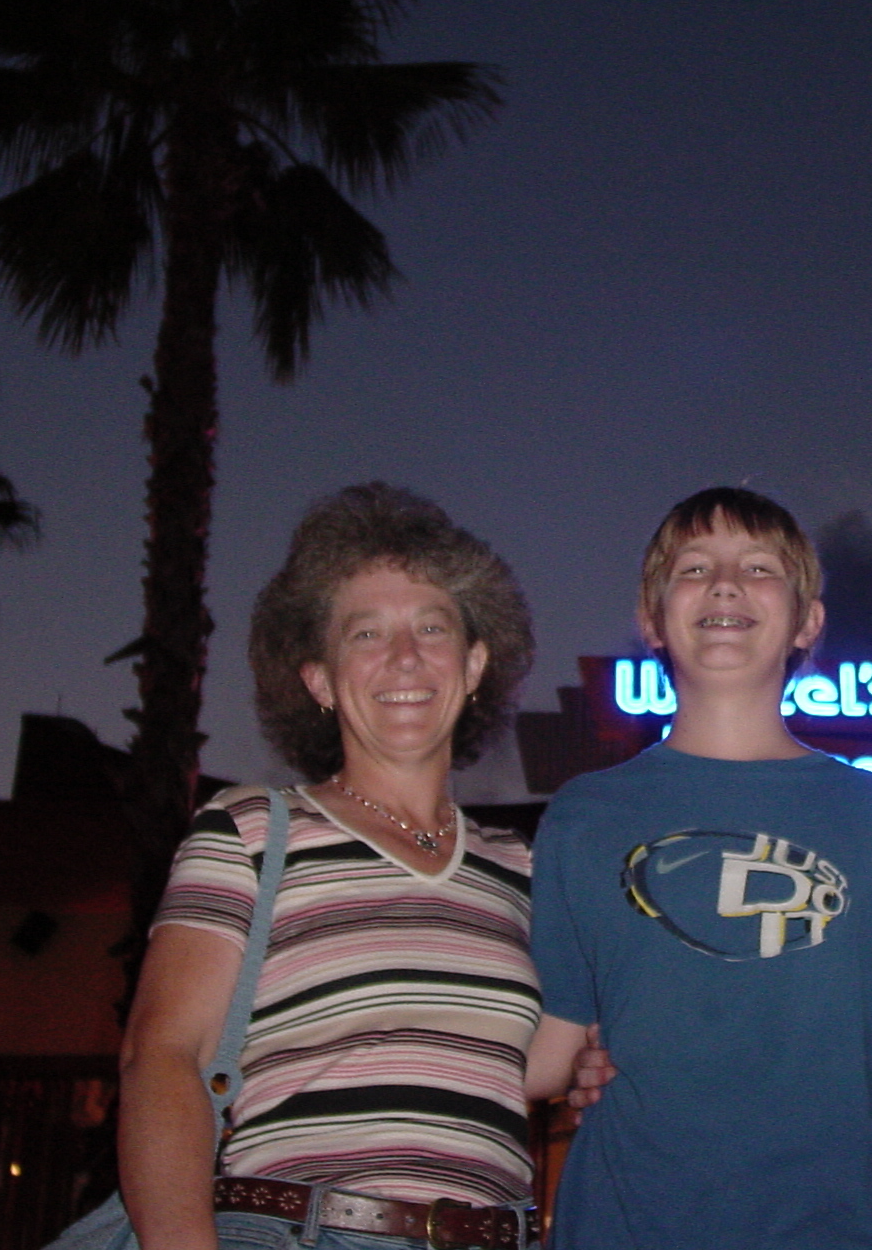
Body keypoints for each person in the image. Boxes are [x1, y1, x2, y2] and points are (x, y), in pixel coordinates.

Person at [119, 482, 542, 1250]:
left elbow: (525, 1066)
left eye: (432, 627)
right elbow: (163, 1058)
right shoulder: (251, 832)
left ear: (476, 663)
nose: (405, 656)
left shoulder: (521, 870)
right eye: (366, 633)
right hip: (305, 1233)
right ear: (318, 679)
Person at [525, 487, 872, 1250]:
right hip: (624, 1225)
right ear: (651, 618)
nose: (726, 584)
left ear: (808, 621)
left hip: (831, 1227)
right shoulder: (585, 815)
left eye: (759, 567)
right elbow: (550, 1045)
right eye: (694, 568)